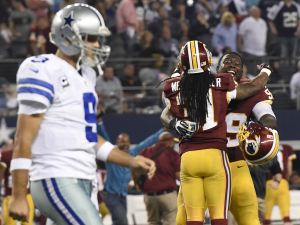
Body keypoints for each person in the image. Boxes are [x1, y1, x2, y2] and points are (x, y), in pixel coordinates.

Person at [8, 4, 156, 225]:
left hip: (84, 179)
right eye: (90, 38)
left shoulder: (86, 76)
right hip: (57, 175)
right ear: (67, 37)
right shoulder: (44, 68)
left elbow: (89, 139)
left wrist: (131, 162)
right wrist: (18, 194)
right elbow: (23, 137)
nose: (97, 45)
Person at [162, 41, 273, 225]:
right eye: (228, 62)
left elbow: (268, 117)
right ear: (214, 65)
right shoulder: (223, 85)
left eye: (237, 63)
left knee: (190, 219)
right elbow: (254, 89)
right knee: (216, 218)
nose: (232, 66)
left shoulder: (176, 86)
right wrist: (266, 71)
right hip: (217, 157)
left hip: (201, 158)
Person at [102, 127, 164, 225]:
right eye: (122, 142)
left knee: (118, 221)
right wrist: (100, 123)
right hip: (111, 195)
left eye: (127, 142)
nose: (125, 144)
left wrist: (164, 129)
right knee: (122, 221)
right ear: (117, 143)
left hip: (123, 195)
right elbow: (104, 136)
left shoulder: (132, 153)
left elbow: (147, 142)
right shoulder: (111, 154)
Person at [138, 132, 180, 225]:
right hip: (168, 195)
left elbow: (136, 169)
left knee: (153, 222)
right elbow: (180, 176)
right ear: (169, 142)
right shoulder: (172, 154)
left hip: (150, 197)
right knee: (171, 222)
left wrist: (137, 184)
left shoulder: (145, 151)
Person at [0, 138, 35, 225]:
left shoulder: (32, 153)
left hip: (27, 194)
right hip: (11, 194)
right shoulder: (6, 155)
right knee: (10, 223)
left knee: (27, 222)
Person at [263, 144, 297, 225]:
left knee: (266, 218)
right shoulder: (287, 148)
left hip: (268, 183)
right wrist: (286, 178)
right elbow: (289, 168)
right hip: (282, 182)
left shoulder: (264, 147)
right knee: (286, 217)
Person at [248, 158, 282, 222]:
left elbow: (277, 170)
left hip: (259, 197)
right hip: (240, 196)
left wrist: (277, 181)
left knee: (258, 218)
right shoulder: (238, 154)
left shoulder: (267, 158)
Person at [267, 0, 300, 65]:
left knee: (293, 55)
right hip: (282, 35)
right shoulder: (278, 6)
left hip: (293, 34)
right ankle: (283, 70)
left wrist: (298, 28)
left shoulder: (296, 6)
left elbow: (299, 18)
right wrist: (273, 29)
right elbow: (270, 18)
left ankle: (292, 70)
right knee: (283, 55)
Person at [238, 6, 267, 76]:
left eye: (258, 11)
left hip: (261, 52)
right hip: (249, 51)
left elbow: (265, 36)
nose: (257, 13)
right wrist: (239, 46)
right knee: (250, 73)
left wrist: (265, 46)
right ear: (251, 12)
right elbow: (240, 35)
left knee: (260, 73)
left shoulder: (263, 22)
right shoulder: (246, 22)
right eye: (255, 11)